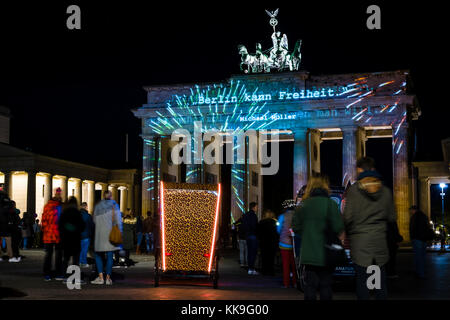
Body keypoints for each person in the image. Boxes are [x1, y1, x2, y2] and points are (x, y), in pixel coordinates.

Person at [343, 157, 395, 300]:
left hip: (360, 244)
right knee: (379, 283)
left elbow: (347, 217)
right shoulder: (385, 191)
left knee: (362, 283)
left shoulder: (354, 191)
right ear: (373, 169)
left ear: (360, 169)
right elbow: (391, 217)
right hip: (379, 243)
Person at [292, 176, 345, 300]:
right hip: (326, 252)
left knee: (310, 286)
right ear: (325, 187)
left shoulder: (303, 205)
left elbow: (295, 227)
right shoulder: (330, 204)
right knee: (325, 286)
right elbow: (338, 227)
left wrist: (307, 234)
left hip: (309, 253)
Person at [91, 190, 122, 285]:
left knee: (98, 255)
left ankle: (100, 277)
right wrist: (120, 233)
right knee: (109, 256)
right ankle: (108, 278)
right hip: (110, 234)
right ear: (111, 196)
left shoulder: (98, 206)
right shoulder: (114, 205)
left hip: (100, 234)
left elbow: (94, 220)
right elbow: (118, 221)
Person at [59, 196, 85, 280]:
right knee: (75, 259)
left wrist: (67, 229)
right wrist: (75, 229)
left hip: (66, 239)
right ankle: (75, 276)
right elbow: (82, 226)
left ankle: (64, 275)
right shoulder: (78, 213)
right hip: (75, 239)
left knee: (66, 258)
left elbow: (60, 225)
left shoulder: (64, 213)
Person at [41, 189, 64, 280]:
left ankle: (47, 273)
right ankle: (57, 273)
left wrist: (45, 230)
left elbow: (44, 220)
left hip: (49, 234)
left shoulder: (47, 206)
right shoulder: (60, 207)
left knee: (49, 255)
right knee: (58, 255)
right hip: (57, 234)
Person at [277, 200, 298, 288]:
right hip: (295, 243)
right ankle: (295, 282)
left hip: (284, 243)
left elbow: (278, 229)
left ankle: (286, 284)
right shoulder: (297, 216)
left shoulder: (282, 216)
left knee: (285, 264)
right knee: (294, 265)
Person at [409, 205, 434, 279]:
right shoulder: (424, 216)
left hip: (417, 239)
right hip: (424, 239)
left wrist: (412, 237)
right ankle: (421, 271)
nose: (410, 212)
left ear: (414, 210)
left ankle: (420, 272)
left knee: (418, 256)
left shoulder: (414, 217)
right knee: (422, 256)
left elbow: (412, 228)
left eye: (411, 210)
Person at [257, 210, 278, 276]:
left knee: (264, 257)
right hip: (272, 242)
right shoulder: (275, 222)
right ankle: (271, 271)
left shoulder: (261, 222)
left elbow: (258, 232)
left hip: (264, 242)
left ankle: (264, 271)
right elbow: (277, 232)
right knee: (271, 257)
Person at [241, 202, 259, 275]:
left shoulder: (246, 215)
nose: (257, 208)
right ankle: (252, 268)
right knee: (253, 253)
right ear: (254, 207)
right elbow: (254, 226)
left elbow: (244, 225)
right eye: (257, 207)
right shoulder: (254, 215)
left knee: (249, 252)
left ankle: (250, 268)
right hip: (253, 235)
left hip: (247, 235)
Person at [0, 191, 14, 261]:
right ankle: (10, 256)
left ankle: (1, 255)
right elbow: (9, 213)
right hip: (5, 224)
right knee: (8, 240)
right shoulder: (6, 204)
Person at [79, 202, 93, 267]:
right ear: (86, 207)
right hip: (86, 235)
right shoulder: (88, 216)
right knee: (85, 250)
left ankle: (79, 262)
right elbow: (91, 225)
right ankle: (84, 262)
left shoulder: (77, 215)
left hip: (79, 235)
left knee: (80, 249)